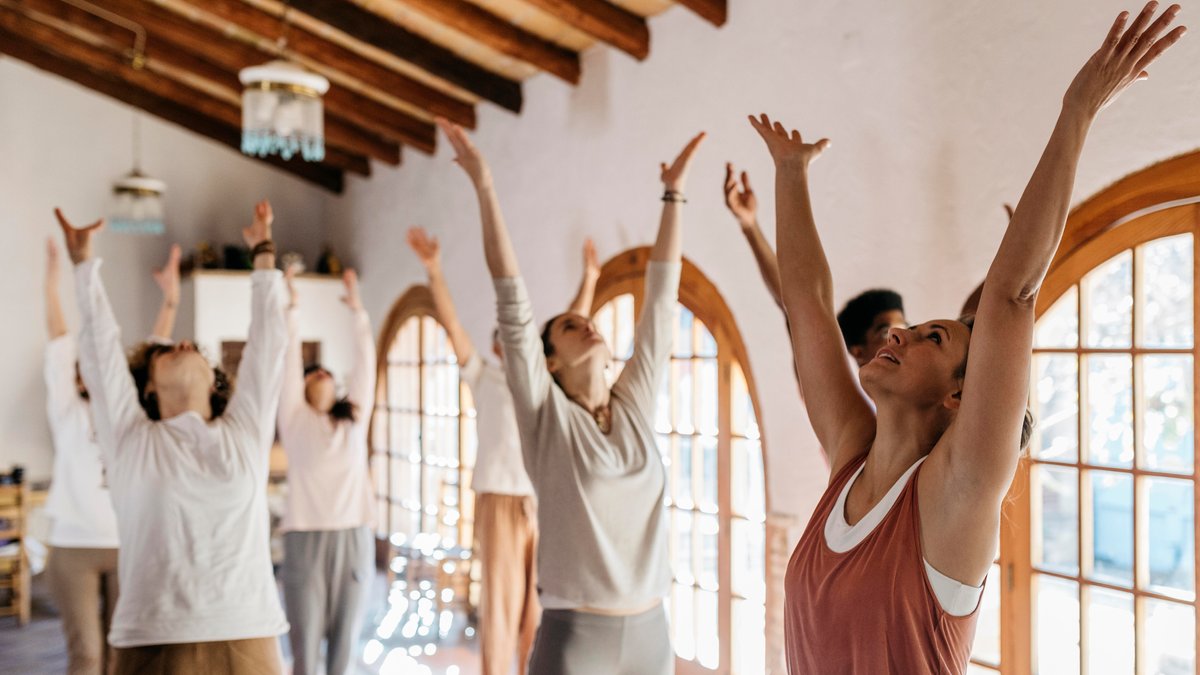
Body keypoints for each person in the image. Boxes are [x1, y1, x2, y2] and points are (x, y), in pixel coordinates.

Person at [753, 4, 1185, 672]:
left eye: (933, 337)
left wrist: (1079, 108)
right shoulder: (849, 455)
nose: (901, 331)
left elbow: (1012, 294)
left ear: (959, 396)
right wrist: (790, 174)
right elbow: (807, 305)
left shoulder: (956, 494)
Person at [437, 117, 704, 675]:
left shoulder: (633, 404)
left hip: (653, 634)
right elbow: (511, 297)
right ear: (549, 361)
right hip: (578, 639)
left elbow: (661, 299)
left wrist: (673, 195)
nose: (585, 322)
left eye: (587, 319)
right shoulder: (545, 416)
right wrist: (485, 184)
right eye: (567, 326)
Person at [57, 199, 290, 674]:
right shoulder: (131, 439)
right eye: (167, 351)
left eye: (196, 350)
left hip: (247, 632)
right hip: (152, 639)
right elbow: (101, 353)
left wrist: (264, 251)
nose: (184, 343)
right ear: (147, 387)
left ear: (215, 382)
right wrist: (82, 265)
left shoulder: (244, 431)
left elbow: (269, 344)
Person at [406, 228, 601, 675]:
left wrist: (590, 278)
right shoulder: (484, 376)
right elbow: (453, 326)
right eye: (506, 340)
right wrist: (434, 270)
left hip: (542, 500)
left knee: (540, 605)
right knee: (500, 603)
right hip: (498, 499)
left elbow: (571, 326)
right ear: (497, 347)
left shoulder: (543, 383)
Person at [42, 238, 180, 675]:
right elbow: (59, 342)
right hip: (74, 547)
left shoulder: (130, 412)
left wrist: (171, 299)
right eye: (81, 366)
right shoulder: (68, 410)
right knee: (87, 656)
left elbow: (154, 354)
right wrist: (53, 280)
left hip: (129, 545)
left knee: (123, 655)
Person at [276, 266, 375, 675]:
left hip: (353, 536)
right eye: (313, 371)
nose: (321, 372)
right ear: (303, 387)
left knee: (343, 646)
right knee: (304, 646)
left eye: (327, 373)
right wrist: (292, 307)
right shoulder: (294, 419)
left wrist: (358, 312)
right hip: (304, 538)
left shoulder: (353, 422)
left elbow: (366, 367)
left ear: (337, 389)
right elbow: (287, 362)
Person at [722, 163, 906, 368]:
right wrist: (749, 225)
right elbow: (794, 303)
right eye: (886, 333)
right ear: (858, 351)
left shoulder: (922, 385)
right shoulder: (834, 387)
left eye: (905, 328)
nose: (901, 339)